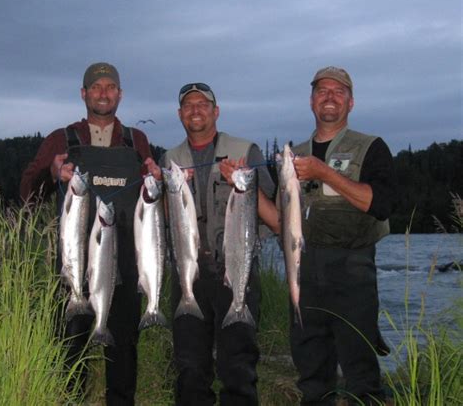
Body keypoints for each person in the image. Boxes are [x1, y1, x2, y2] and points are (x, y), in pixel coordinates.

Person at [20, 62, 158, 405]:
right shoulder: (61, 139)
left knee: (123, 358)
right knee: (70, 360)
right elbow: (27, 194)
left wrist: (156, 177)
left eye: (110, 87)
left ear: (120, 95)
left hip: (126, 268)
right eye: (96, 87)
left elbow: (151, 203)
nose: (103, 93)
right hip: (73, 273)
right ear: (83, 94)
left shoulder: (136, 140)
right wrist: (51, 173)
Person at [160, 83, 279, 406]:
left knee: (238, 369)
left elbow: (276, 218)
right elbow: (161, 221)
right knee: (189, 370)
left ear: (216, 111)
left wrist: (244, 184)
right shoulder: (169, 160)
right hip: (188, 275)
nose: (195, 110)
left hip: (236, 271)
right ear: (179, 114)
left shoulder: (246, 151)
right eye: (188, 105)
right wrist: (161, 188)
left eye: (203, 104)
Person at [288, 67, 396, 406]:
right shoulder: (295, 154)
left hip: (353, 270)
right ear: (311, 101)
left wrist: (324, 173)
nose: (329, 96)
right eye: (322, 90)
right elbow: (281, 221)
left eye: (338, 91)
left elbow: (379, 204)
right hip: (304, 272)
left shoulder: (372, 147)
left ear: (350, 102)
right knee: (312, 372)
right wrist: (244, 190)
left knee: (360, 369)